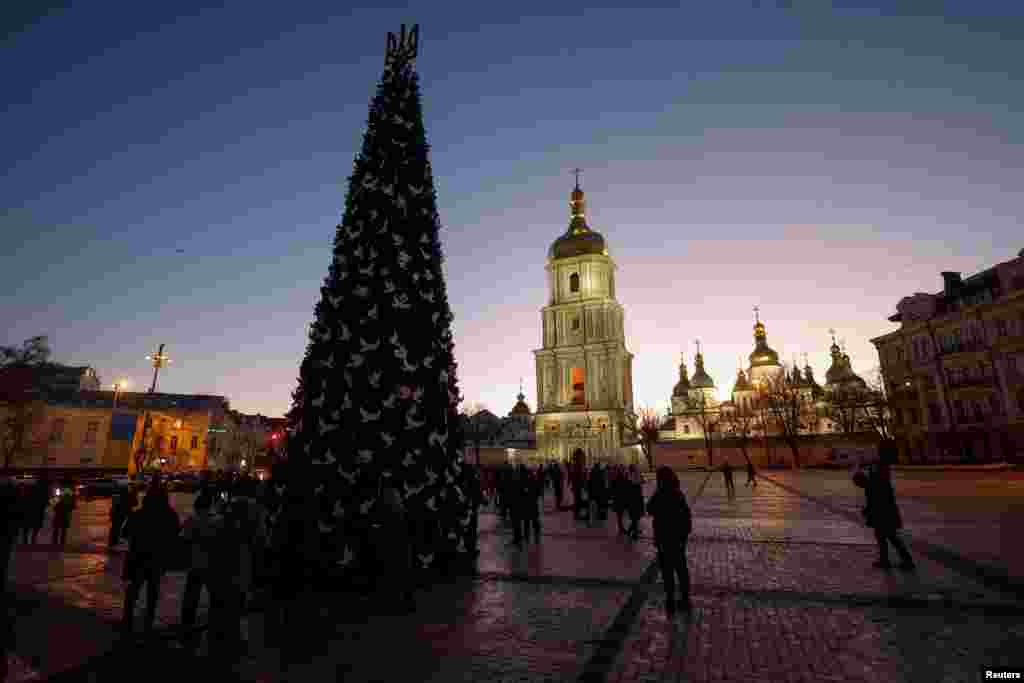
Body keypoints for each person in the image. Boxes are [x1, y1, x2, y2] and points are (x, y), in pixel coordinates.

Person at [120, 481, 181, 637]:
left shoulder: (138, 514)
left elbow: (125, 533)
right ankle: (149, 619)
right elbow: (176, 535)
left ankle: (127, 619)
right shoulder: (170, 515)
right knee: (153, 590)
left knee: (134, 588)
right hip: (157, 558)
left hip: (138, 556)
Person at [853, 445, 915, 571]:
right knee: (882, 536)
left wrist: (860, 470)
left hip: (883, 511)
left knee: (890, 536)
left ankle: (906, 560)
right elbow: (870, 488)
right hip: (882, 509)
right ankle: (886, 559)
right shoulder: (879, 469)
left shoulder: (880, 470)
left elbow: (873, 489)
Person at [647, 466, 693, 615]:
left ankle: (670, 601)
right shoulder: (678, 493)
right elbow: (686, 516)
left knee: (668, 573)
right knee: (681, 571)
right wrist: (684, 535)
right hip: (678, 540)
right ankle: (685, 599)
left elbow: (649, 508)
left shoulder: (660, 494)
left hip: (664, 540)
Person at [180, 492, 220, 651]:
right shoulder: (217, 521)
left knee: (191, 597)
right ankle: (214, 623)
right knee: (214, 596)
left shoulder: (192, 520)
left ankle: (187, 625)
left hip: (195, 563)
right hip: (213, 564)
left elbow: (183, 539)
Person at [109, 485, 138, 549]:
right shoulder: (130, 495)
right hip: (120, 513)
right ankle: (114, 541)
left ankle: (114, 541)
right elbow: (135, 503)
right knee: (117, 527)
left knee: (116, 527)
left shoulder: (121, 496)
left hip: (119, 513)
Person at [51, 483, 76, 548]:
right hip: (65, 513)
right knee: (63, 530)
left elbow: (54, 502)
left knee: (57, 529)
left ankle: (55, 543)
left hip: (59, 513)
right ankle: (61, 543)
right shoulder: (70, 493)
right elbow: (73, 505)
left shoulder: (59, 492)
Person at [625, 465, 644, 539]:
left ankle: (632, 530)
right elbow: (639, 482)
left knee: (635, 517)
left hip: (635, 499)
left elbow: (642, 481)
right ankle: (634, 532)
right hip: (634, 499)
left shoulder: (632, 475)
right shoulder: (631, 476)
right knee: (635, 517)